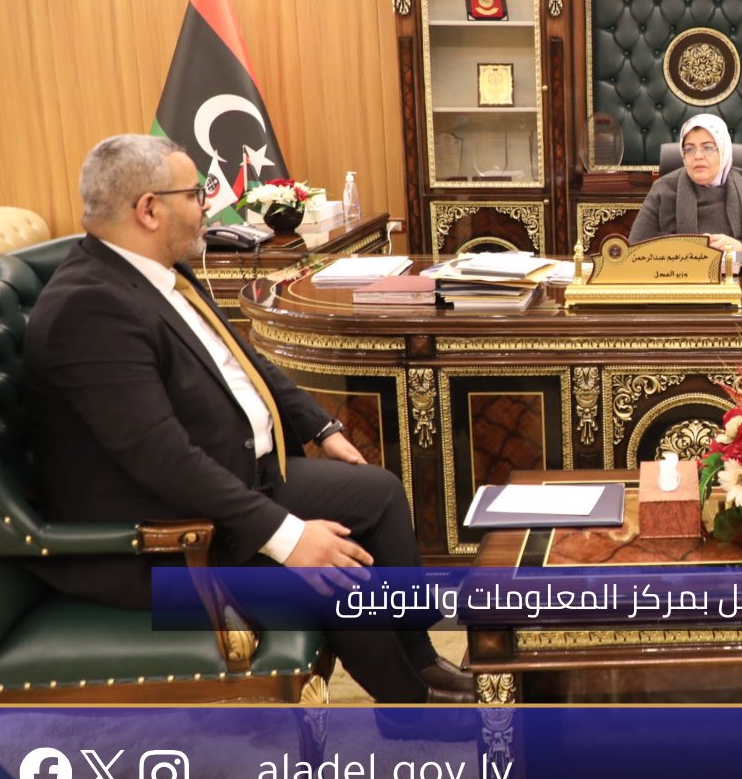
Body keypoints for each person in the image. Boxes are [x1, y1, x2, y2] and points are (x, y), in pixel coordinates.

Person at [23, 135, 471, 704]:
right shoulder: (89, 308)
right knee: (333, 573)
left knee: (377, 494)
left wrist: (321, 428)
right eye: (196, 194)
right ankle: (412, 708)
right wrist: (289, 537)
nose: (208, 207)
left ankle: (421, 660)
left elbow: (244, 362)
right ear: (149, 210)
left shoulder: (157, 272)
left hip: (233, 476)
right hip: (162, 538)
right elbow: (161, 458)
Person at [628, 114, 742, 255]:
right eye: (689, 149)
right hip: (681, 281)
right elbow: (633, 250)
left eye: (708, 148)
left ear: (723, 151)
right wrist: (683, 250)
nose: (698, 156)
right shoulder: (662, 189)